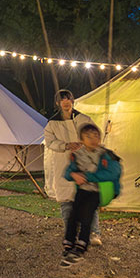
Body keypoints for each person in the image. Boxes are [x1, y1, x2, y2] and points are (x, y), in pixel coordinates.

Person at [42, 89, 101, 244]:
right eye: (62, 99)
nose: (66, 101)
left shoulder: (83, 119)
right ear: (58, 103)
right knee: (67, 202)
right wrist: (66, 145)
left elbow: (94, 135)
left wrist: (84, 144)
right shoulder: (52, 123)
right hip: (63, 164)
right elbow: (50, 142)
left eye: (68, 98)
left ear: (72, 100)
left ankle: (93, 234)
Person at [60, 123, 121, 267]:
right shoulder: (77, 154)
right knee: (73, 215)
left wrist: (87, 176)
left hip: (99, 191)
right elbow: (68, 172)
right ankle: (69, 244)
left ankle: (81, 247)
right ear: (81, 140)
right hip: (82, 190)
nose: (93, 139)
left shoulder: (106, 154)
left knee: (87, 215)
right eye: (88, 136)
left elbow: (113, 172)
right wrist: (73, 174)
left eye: (96, 136)